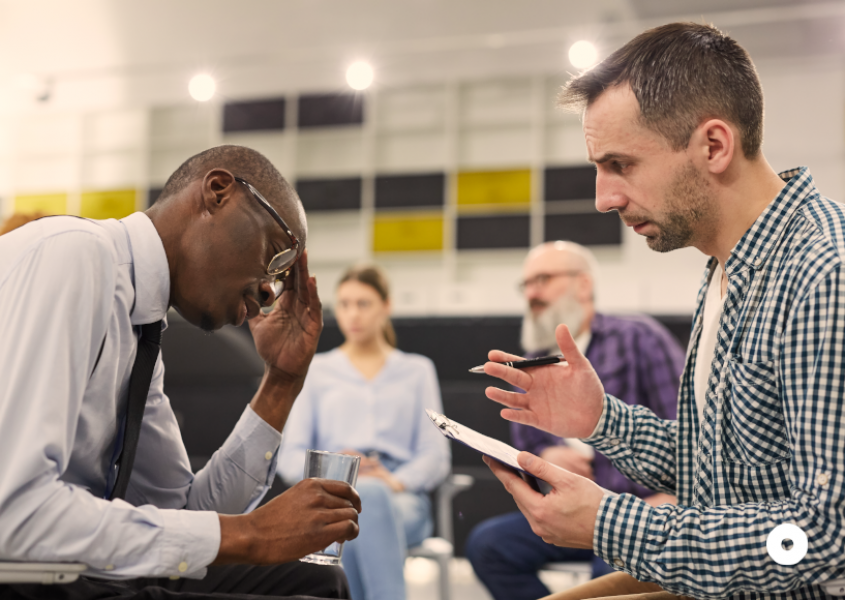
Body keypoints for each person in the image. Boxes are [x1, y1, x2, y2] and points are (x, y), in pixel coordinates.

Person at [481, 22, 845, 600]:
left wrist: (612, 523)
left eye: (620, 165)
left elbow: (821, 538)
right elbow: (720, 473)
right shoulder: (727, 267)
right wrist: (602, 420)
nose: (604, 198)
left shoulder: (823, 273)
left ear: (714, 146)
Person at [0, 145, 362, 600]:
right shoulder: (76, 254)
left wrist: (281, 383)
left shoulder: (140, 324)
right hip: (20, 571)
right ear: (217, 192)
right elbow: (13, 514)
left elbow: (182, 512)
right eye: (274, 255)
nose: (270, 291)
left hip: (58, 565)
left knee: (317, 581)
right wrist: (250, 534)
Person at [465, 241, 684, 600]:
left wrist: (669, 496)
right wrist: (548, 456)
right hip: (569, 506)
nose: (532, 293)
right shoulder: (534, 358)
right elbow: (526, 437)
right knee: (488, 545)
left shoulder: (638, 338)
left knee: (613, 567)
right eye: (527, 285)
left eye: (543, 279)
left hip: (640, 507)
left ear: (583, 284)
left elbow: (685, 426)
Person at [277, 265, 450, 600]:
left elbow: (435, 454)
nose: (352, 314)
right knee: (354, 510)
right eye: (344, 304)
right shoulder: (318, 370)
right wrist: (337, 470)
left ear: (387, 306)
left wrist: (393, 482)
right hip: (334, 496)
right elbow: (290, 457)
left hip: (402, 498)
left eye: (363, 303)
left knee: (366, 502)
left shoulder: (417, 370)